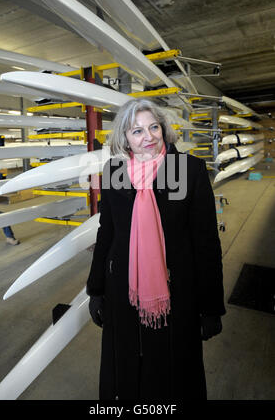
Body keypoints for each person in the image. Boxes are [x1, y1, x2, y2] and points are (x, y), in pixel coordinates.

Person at [86, 99, 225, 400]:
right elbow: (106, 232)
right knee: (128, 369)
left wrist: (211, 307)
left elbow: (206, 243)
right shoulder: (114, 172)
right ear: (124, 138)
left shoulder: (187, 170)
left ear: (163, 129)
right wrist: (96, 289)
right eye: (137, 131)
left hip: (176, 295)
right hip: (123, 291)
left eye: (153, 127)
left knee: (171, 373)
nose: (148, 136)